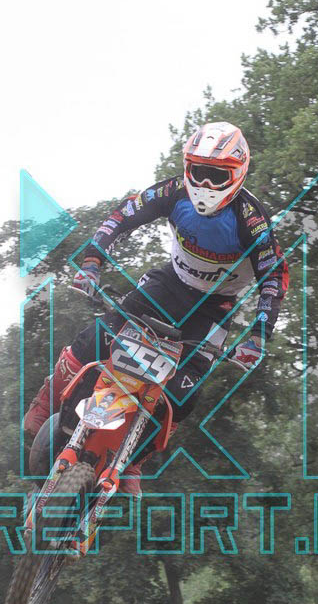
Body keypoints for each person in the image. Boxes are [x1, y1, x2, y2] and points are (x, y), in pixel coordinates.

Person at [24, 121, 289, 492]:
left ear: (238, 174)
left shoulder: (251, 220)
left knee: (183, 394)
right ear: (187, 167)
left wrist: (259, 334)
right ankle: (46, 403)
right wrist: (92, 263)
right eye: (199, 171)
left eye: (217, 176)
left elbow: (275, 276)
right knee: (96, 339)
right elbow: (122, 216)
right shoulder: (173, 191)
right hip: (167, 286)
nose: (206, 184)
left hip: (213, 310)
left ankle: (133, 459)